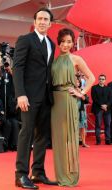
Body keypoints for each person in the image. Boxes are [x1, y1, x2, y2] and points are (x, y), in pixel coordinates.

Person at [13, 8, 56, 189]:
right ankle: (21, 175)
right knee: (27, 134)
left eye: (46, 19)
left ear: (50, 23)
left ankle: (38, 172)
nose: (42, 21)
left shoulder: (51, 44)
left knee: (42, 137)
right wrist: (20, 94)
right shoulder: (26, 40)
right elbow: (18, 68)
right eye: (39, 18)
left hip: (46, 97)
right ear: (35, 21)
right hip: (28, 97)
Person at [51, 28, 95, 186]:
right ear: (59, 42)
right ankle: (60, 174)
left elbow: (91, 77)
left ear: (73, 43)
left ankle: (70, 176)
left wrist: (81, 92)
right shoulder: (54, 61)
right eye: (63, 41)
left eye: (69, 41)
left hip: (69, 101)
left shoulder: (76, 59)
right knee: (58, 139)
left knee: (69, 137)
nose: (65, 44)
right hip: (55, 102)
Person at [91, 74, 112, 145]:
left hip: (107, 109)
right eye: (100, 79)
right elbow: (94, 98)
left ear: (105, 80)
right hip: (98, 109)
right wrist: (102, 105)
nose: (101, 80)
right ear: (98, 79)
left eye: (103, 79)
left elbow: (110, 99)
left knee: (108, 125)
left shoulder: (108, 88)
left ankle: (108, 140)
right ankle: (98, 140)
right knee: (98, 125)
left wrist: (106, 105)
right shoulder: (94, 88)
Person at [76, 76, 90, 147]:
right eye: (75, 81)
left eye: (78, 82)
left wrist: (81, 94)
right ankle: (73, 143)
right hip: (73, 111)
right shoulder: (70, 90)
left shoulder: (83, 90)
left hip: (81, 111)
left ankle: (83, 142)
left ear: (80, 83)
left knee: (82, 127)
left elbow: (87, 101)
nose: (77, 83)